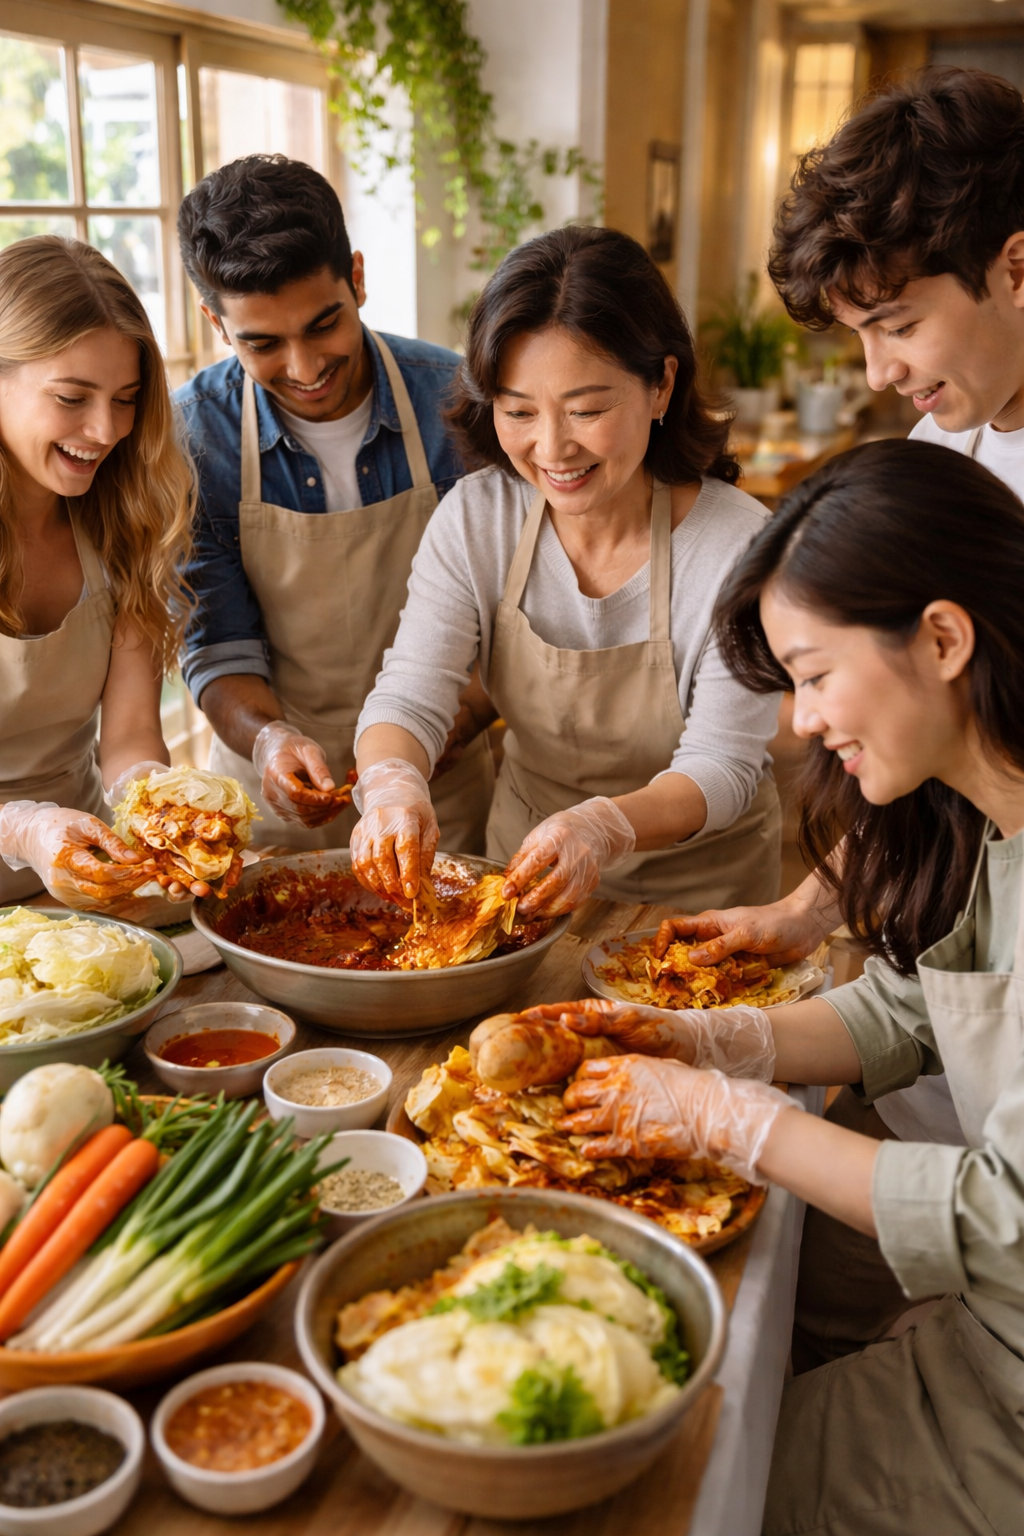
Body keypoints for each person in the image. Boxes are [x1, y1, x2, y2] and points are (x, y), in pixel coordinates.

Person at [536, 438, 1024, 1534]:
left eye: (813, 675)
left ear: (943, 639)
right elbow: (920, 1009)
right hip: (983, 1338)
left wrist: (733, 1122)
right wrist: (709, 1042)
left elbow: (1005, 1217)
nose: (800, 723)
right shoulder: (988, 823)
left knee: (680, 1491)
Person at [659, 65, 1024, 1363]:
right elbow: (928, 757)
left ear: (1017, 268)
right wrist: (805, 918)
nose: (878, 370)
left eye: (897, 323)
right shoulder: (946, 448)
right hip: (954, 1044)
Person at [351, 225, 783, 916]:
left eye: (587, 410)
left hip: (700, 898)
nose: (552, 448)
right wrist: (393, 783)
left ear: (662, 386)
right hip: (521, 881)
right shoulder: (477, 518)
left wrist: (602, 826)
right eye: (518, 411)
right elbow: (409, 695)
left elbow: (724, 765)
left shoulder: (738, 544)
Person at [174, 154, 494, 852]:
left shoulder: (457, 405)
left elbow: (512, 607)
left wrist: (454, 722)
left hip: (439, 787)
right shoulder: (196, 436)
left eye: (323, 325)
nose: (306, 367)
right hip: (274, 799)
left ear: (357, 277)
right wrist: (268, 740)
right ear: (215, 323)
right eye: (263, 343)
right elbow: (217, 644)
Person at [0, 236, 201, 918]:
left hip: (82, 894)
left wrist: (155, 808)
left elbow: (130, 736)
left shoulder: (121, 525)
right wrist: (23, 829)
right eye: (71, 396)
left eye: (126, 399)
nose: (105, 429)